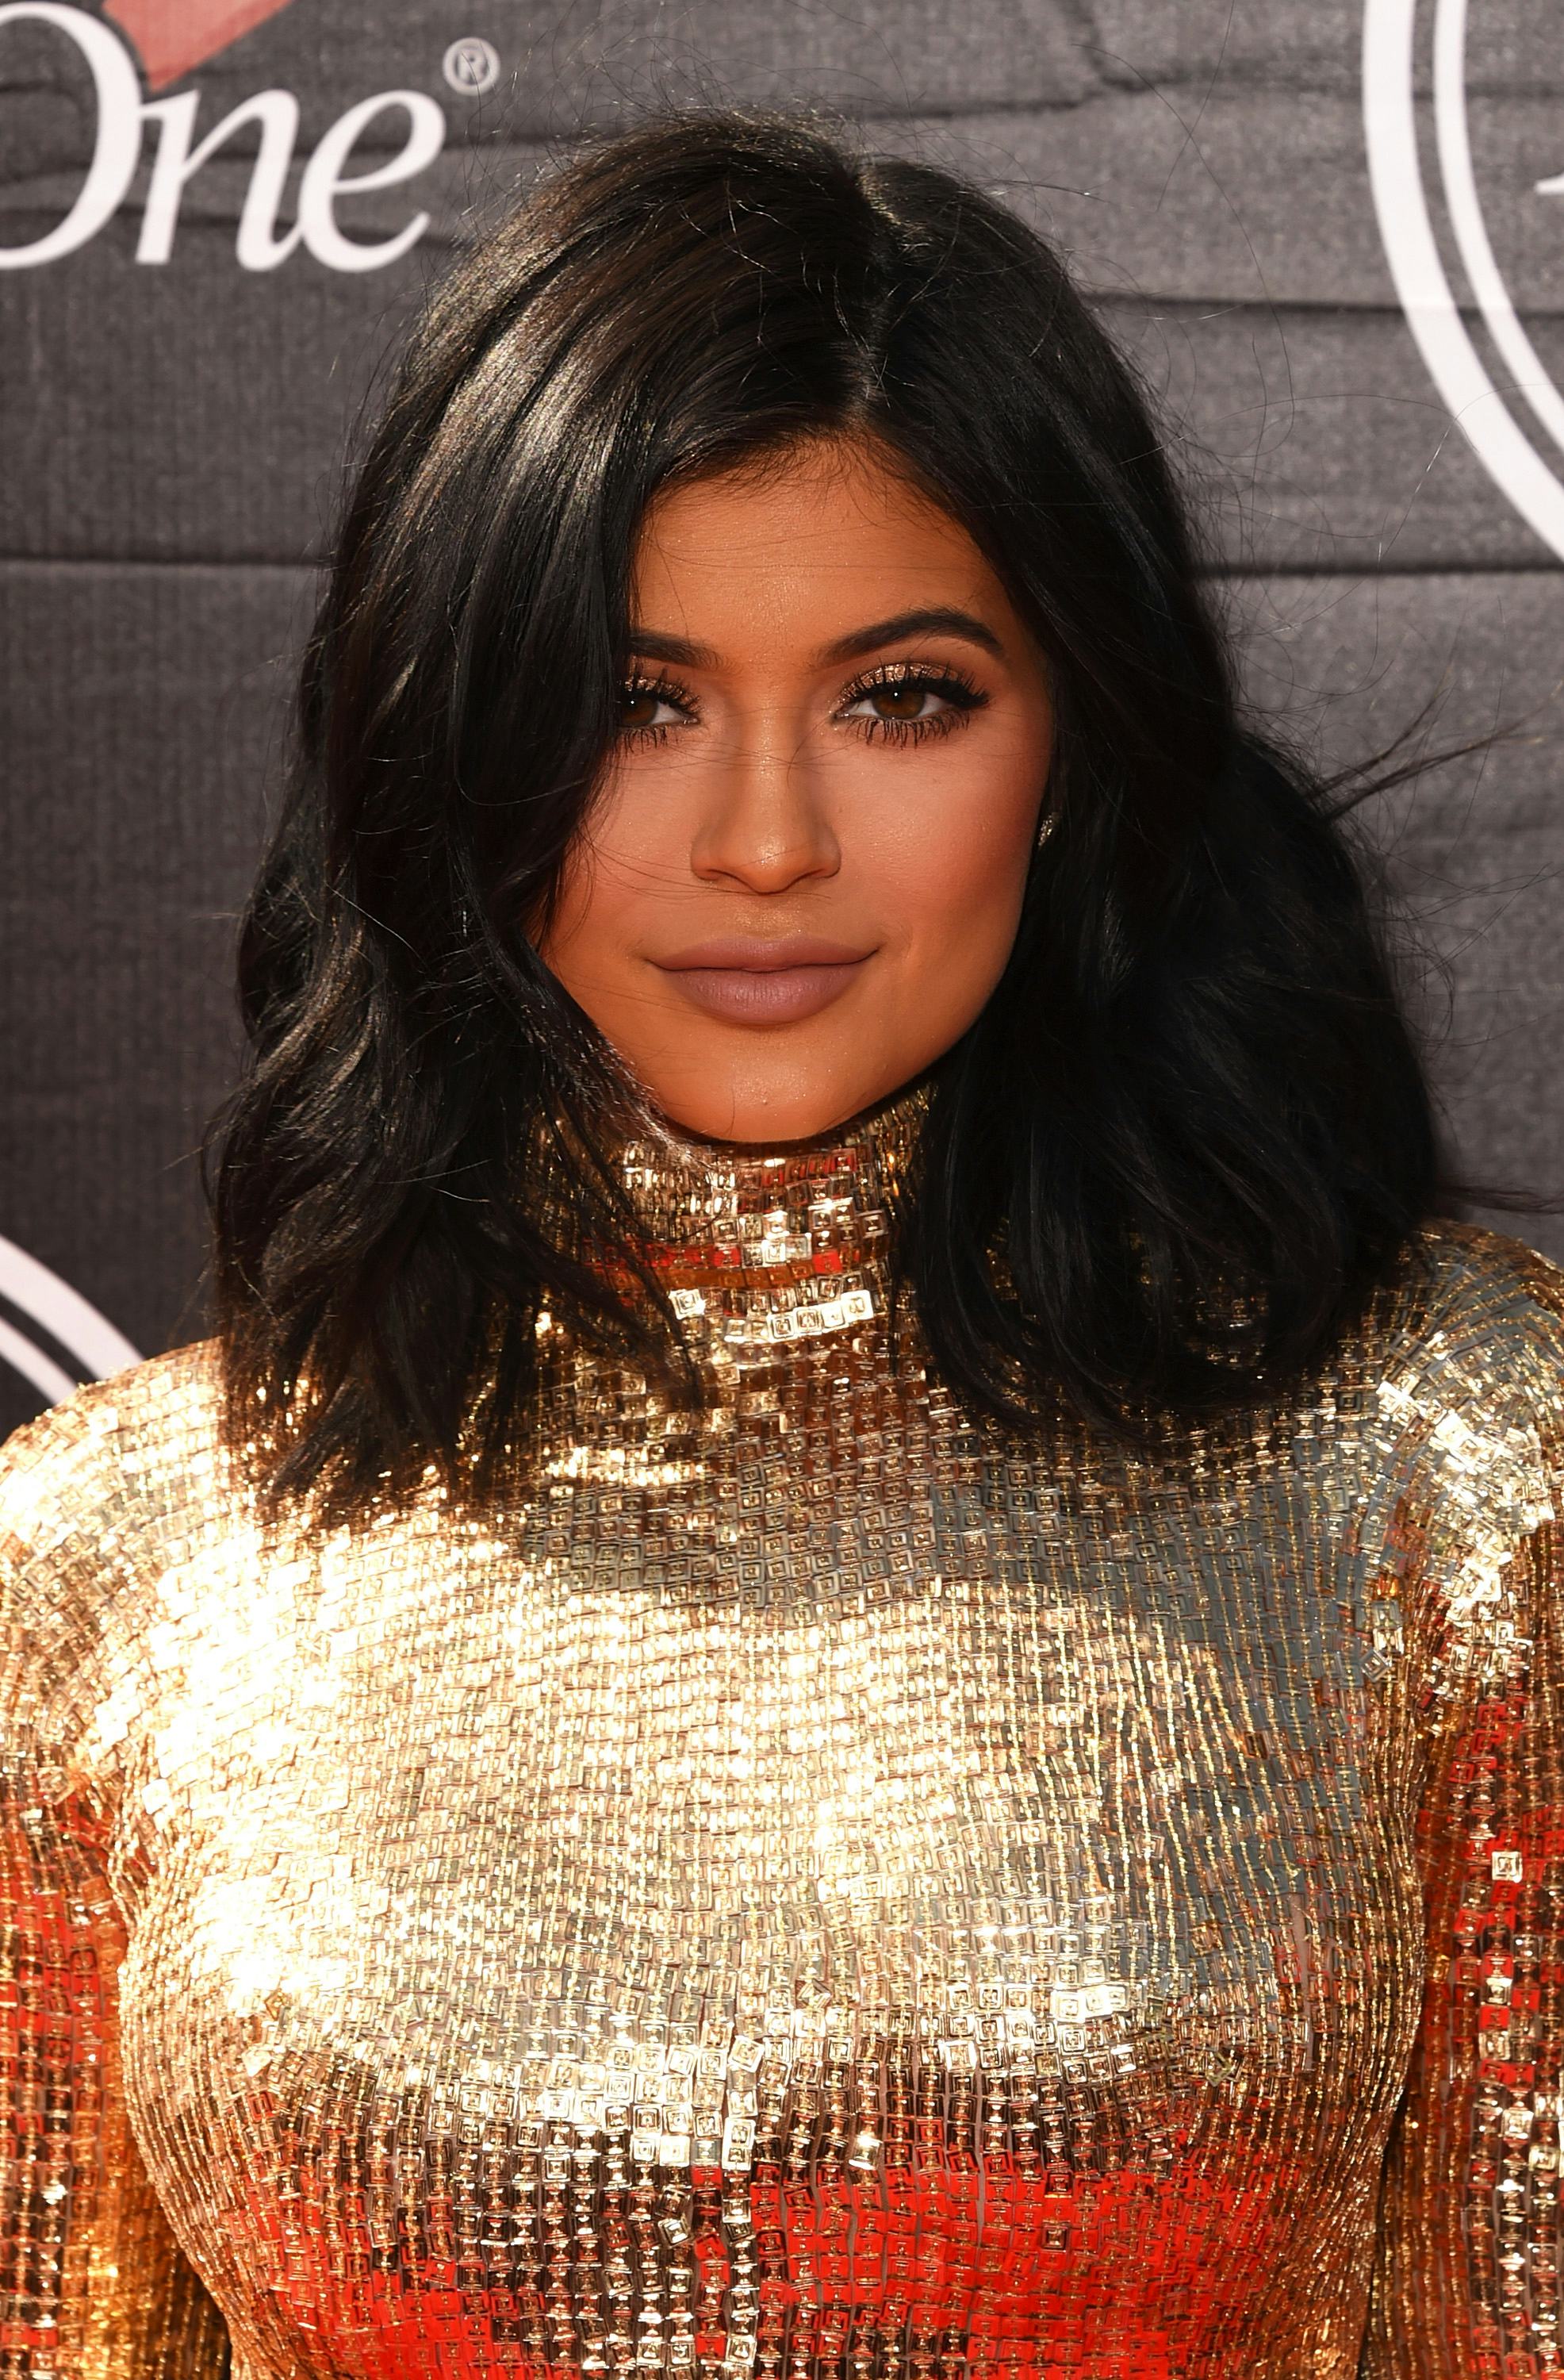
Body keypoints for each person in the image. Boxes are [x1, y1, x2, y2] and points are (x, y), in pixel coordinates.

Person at [1, 109, 1559, 2380]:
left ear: (1076, 747)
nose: (762, 843)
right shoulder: (111, 1564)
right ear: (452, 749)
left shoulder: (1462, 1472)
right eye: (635, 704)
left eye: (900, 696)